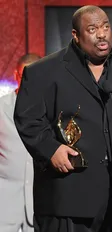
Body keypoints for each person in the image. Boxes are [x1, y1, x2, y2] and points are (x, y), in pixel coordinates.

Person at [14, 5, 112, 232]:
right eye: (93, 29)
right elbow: (27, 119)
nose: (102, 34)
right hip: (68, 196)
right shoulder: (43, 72)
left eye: (106, 27)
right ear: (76, 35)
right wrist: (50, 149)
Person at [0, 53, 40, 232]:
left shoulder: (54, 109)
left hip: (40, 201)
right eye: (24, 75)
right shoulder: (1, 108)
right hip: (5, 201)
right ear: (16, 76)